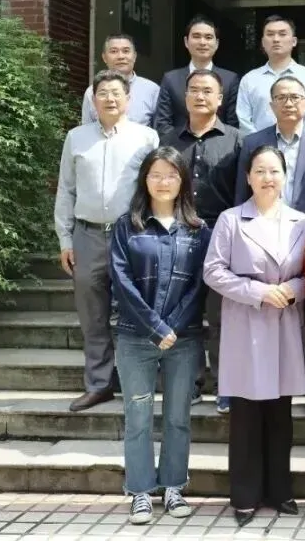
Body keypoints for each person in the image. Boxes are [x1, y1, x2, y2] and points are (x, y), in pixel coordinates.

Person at [202, 146, 305, 527]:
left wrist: (293, 289)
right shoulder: (231, 220)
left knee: (281, 413)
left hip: (284, 323)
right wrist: (258, 292)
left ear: (285, 176)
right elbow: (213, 271)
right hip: (246, 323)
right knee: (246, 415)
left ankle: (280, 490)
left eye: (274, 171)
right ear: (248, 178)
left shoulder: (301, 221)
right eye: (260, 171)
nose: (268, 178)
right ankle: (245, 495)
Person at [110, 147, 210, 525]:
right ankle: (140, 491)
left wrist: (173, 328)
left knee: (177, 416)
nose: (163, 181)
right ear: (145, 180)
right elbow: (121, 282)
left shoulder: (198, 230)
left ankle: (173, 486)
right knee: (137, 416)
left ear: (182, 180)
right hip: (135, 337)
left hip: (183, 339)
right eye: (156, 174)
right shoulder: (127, 226)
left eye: (171, 174)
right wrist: (155, 328)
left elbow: (200, 286)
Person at [55, 69, 159, 412]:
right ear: (93, 99)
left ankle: (137, 383)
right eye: (102, 93)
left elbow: (158, 188)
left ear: (128, 99)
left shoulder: (147, 138)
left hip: (132, 234)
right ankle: (99, 384)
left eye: (116, 92)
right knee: (92, 313)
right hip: (87, 234)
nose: (110, 98)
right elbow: (66, 190)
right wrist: (65, 239)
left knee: (136, 309)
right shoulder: (76, 137)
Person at [236, 76, 305, 416]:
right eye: (281, 97)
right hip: (263, 240)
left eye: (296, 97)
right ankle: (265, 383)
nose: (289, 103)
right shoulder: (254, 142)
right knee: (267, 313)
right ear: (271, 105)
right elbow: (241, 194)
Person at [161, 69, 242, 407]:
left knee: (222, 315)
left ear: (220, 99)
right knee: (183, 314)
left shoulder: (237, 140)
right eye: (194, 90)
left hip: (222, 234)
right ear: (185, 97)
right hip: (179, 234)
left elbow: (241, 194)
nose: (200, 96)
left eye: (208, 91)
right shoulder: (168, 140)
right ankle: (190, 382)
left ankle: (226, 385)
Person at [154, 16, 239, 137]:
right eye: (196, 36)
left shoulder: (230, 80)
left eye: (208, 37)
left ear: (216, 44)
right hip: (179, 145)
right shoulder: (170, 79)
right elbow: (162, 123)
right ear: (186, 42)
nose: (202, 42)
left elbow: (233, 123)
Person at [236, 15, 305, 136]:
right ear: (263, 42)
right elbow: (244, 120)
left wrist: (298, 143)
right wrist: (259, 143)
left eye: (282, 34)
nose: (276, 39)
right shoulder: (249, 79)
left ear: (294, 41)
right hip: (259, 146)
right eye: (270, 34)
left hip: (300, 145)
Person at [80, 34, 159, 126]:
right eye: (114, 51)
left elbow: (160, 130)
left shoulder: (152, 90)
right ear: (104, 58)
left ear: (134, 56)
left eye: (126, 51)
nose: (120, 56)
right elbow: (86, 129)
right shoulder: (92, 92)